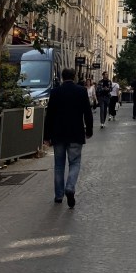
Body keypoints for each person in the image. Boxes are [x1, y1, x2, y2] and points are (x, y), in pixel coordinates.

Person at [43, 67, 93, 208]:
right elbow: (87, 113)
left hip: (58, 134)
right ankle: (70, 187)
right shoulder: (81, 91)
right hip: (76, 133)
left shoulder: (55, 92)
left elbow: (50, 115)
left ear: (62, 77)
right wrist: (89, 130)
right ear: (75, 76)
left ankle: (59, 195)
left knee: (59, 165)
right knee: (75, 163)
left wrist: (46, 136)